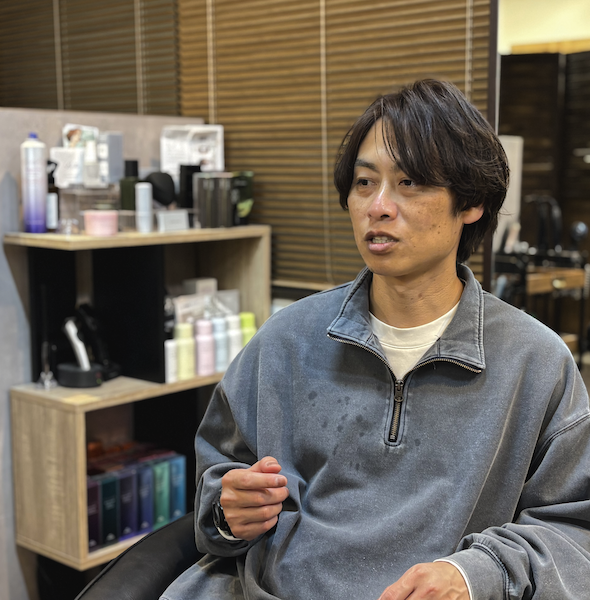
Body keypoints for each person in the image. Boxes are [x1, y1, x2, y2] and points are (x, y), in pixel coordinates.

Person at [161, 79, 590, 600]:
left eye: (409, 182)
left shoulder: (536, 363)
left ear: (472, 202)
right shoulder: (285, 341)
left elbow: (576, 534)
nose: (378, 206)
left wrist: (474, 576)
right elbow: (218, 485)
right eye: (365, 182)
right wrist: (229, 512)